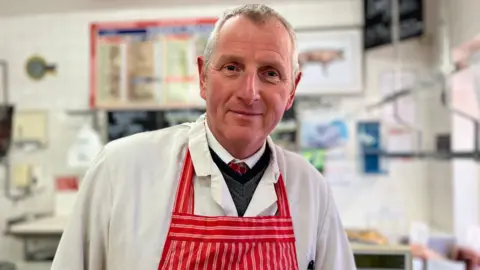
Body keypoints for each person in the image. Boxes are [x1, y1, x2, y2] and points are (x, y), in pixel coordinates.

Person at [51, 4, 356, 270]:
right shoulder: (120, 170)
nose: (249, 93)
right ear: (203, 77)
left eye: (271, 73)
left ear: (291, 91)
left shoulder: (311, 190)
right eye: (231, 67)